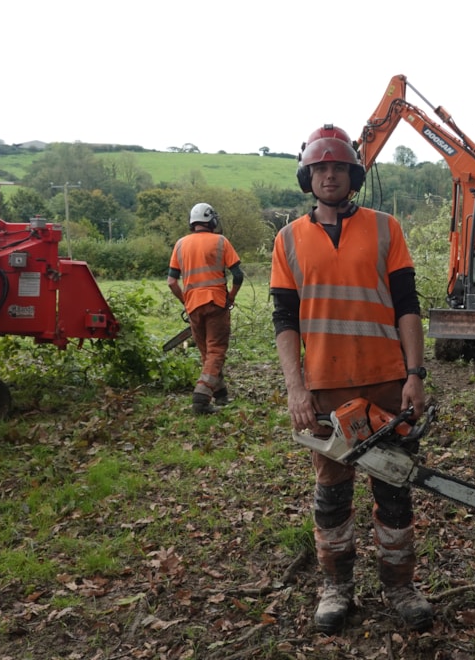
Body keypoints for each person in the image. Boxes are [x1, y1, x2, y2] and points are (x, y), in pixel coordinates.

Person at [269, 124, 433, 635]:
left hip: (387, 383)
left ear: (353, 174)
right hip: (325, 389)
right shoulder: (288, 240)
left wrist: (415, 374)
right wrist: (296, 388)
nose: (330, 175)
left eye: (338, 166)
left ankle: (400, 585)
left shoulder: (386, 229)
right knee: (332, 495)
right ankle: (336, 586)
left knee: (395, 491)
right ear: (308, 176)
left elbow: (407, 306)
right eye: (320, 168)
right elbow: (284, 320)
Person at [167, 202, 244, 415]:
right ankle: (201, 397)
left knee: (207, 354)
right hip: (216, 303)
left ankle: (221, 395)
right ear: (211, 220)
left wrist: (186, 301)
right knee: (216, 350)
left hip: (193, 306)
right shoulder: (220, 242)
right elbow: (238, 275)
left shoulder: (180, 244)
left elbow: (172, 282)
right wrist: (230, 297)